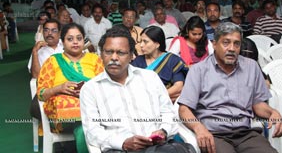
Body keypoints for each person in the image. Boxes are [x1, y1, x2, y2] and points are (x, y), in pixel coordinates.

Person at [178, 22, 282, 153]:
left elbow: (258, 104)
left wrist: (273, 112)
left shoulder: (251, 67)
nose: (232, 48)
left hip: (245, 133)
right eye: (226, 42)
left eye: (236, 44)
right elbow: (184, 109)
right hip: (213, 134)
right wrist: (198, 128)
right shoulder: (198, 70)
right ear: (214, 44)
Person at [80, 27, 178, 152]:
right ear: (101, 55)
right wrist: (123, 143)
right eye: (109, 52)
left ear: (132, 55)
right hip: (119, 149)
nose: (114, 57)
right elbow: (92, 132)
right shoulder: (90, 89)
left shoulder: (150, 78)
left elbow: (168, 113)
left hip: (158, 147)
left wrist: (163, 131)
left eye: (121, 53)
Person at [37, 23, 104, 152]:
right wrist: (59, 88)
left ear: (83, 39)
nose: (75, 42)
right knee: (84, 131)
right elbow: (41, 93)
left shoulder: (95, 59)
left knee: (84, 130)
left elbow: (105, 86)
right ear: (62, 42)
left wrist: (87, 91)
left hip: (94, 107)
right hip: (64, 116)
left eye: (79, 38)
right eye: (70, 39)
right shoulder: (53, 61)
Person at [131, 26, 188, 103]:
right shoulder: (138, 61)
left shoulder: (172, 60)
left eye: (145, 41)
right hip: (142, 102)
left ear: (157, 44)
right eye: (140, 41)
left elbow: (178, 87)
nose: (141, 45)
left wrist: (157, 97)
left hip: (166, 104)